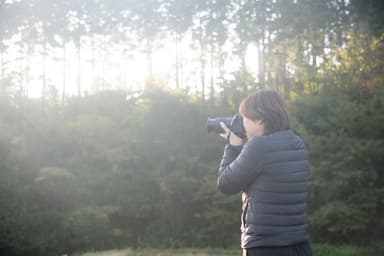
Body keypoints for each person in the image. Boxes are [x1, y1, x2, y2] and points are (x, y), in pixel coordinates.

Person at [217, 89, 312, 256]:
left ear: (260, 118)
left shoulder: (259, 146)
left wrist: (232, 146)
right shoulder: (297, 142)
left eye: (244, 117)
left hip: (266, 246)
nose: (242, 122)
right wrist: (244, 145)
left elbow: (225, 184)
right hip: (298, 244)